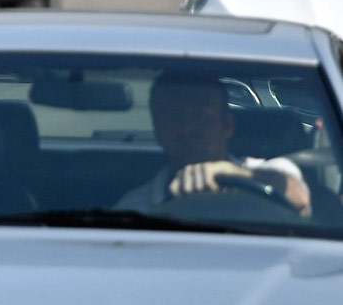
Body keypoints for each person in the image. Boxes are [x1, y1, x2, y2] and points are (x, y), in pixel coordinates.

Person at [116, 71, 311, 216]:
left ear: (227, 125)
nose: (186, 129)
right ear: (158, 129)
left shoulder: (269, 171)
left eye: (200, 117)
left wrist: (236, 174)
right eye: (172, 118)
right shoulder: (133, 208)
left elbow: (298, 197)